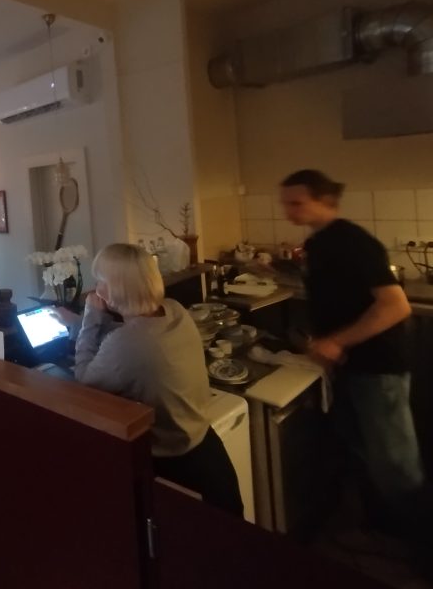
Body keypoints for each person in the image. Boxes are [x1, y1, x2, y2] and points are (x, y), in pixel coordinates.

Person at [279, 169, 425, 538]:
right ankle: (384, 529)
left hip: (379, 369)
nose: (288, 211)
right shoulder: (317, 244)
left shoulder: (354, 242)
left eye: (296, 203)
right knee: (362, 449)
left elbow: (396, 306)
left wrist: (336, 342)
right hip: (350, 368)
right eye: (286, 204)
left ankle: (422, 544)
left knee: (396, 462)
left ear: (325, 201)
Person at [75, 243, 243, 517]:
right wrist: (82, 324)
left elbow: (84, 378)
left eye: (99, 280)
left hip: (175, 467)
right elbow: (135, 334)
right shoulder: (175, 310)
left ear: (115, 288)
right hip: (208, 451)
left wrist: (89, 319)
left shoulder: (127, 342)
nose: (96, 288)